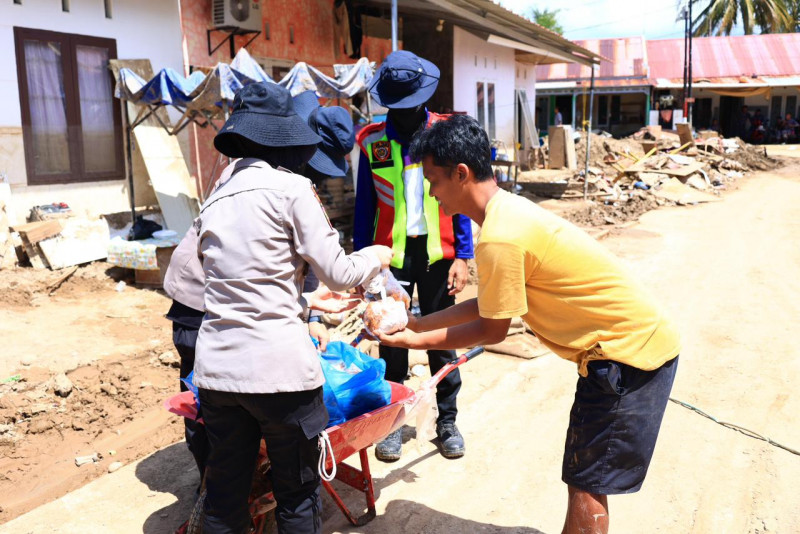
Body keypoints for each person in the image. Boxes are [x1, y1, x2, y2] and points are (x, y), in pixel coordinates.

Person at [377, 114, 680, 534]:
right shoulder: (507, 213)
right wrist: (419, 322)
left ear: (460, 174)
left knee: (587, 482)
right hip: (623, 350)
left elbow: (491, 329)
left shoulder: (501, 236)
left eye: (434, 180)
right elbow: (490, 304)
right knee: (585, 476)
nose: (431, 192)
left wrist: (414, 340)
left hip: (626, 356)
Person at [194, 82, 393, 534]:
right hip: (279, 375)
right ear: (281, 138)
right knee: (297, 496)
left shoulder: (214, 199)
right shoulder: (291, 188)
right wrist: (375, 257)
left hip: (218, 375)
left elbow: (232, 285)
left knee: (225, 497)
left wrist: (301, 299)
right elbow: (339, 272)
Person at [353, 50, 474, 461]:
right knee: (392, 341)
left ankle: (447, 420)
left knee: (442, 338)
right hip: (390, 259)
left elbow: (458, 197)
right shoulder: (371, 141)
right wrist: (362, 265)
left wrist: (463, 255)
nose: (407, 112)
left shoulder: (444, 133)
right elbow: (363, 208)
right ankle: (393, 423)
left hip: (439, 254)